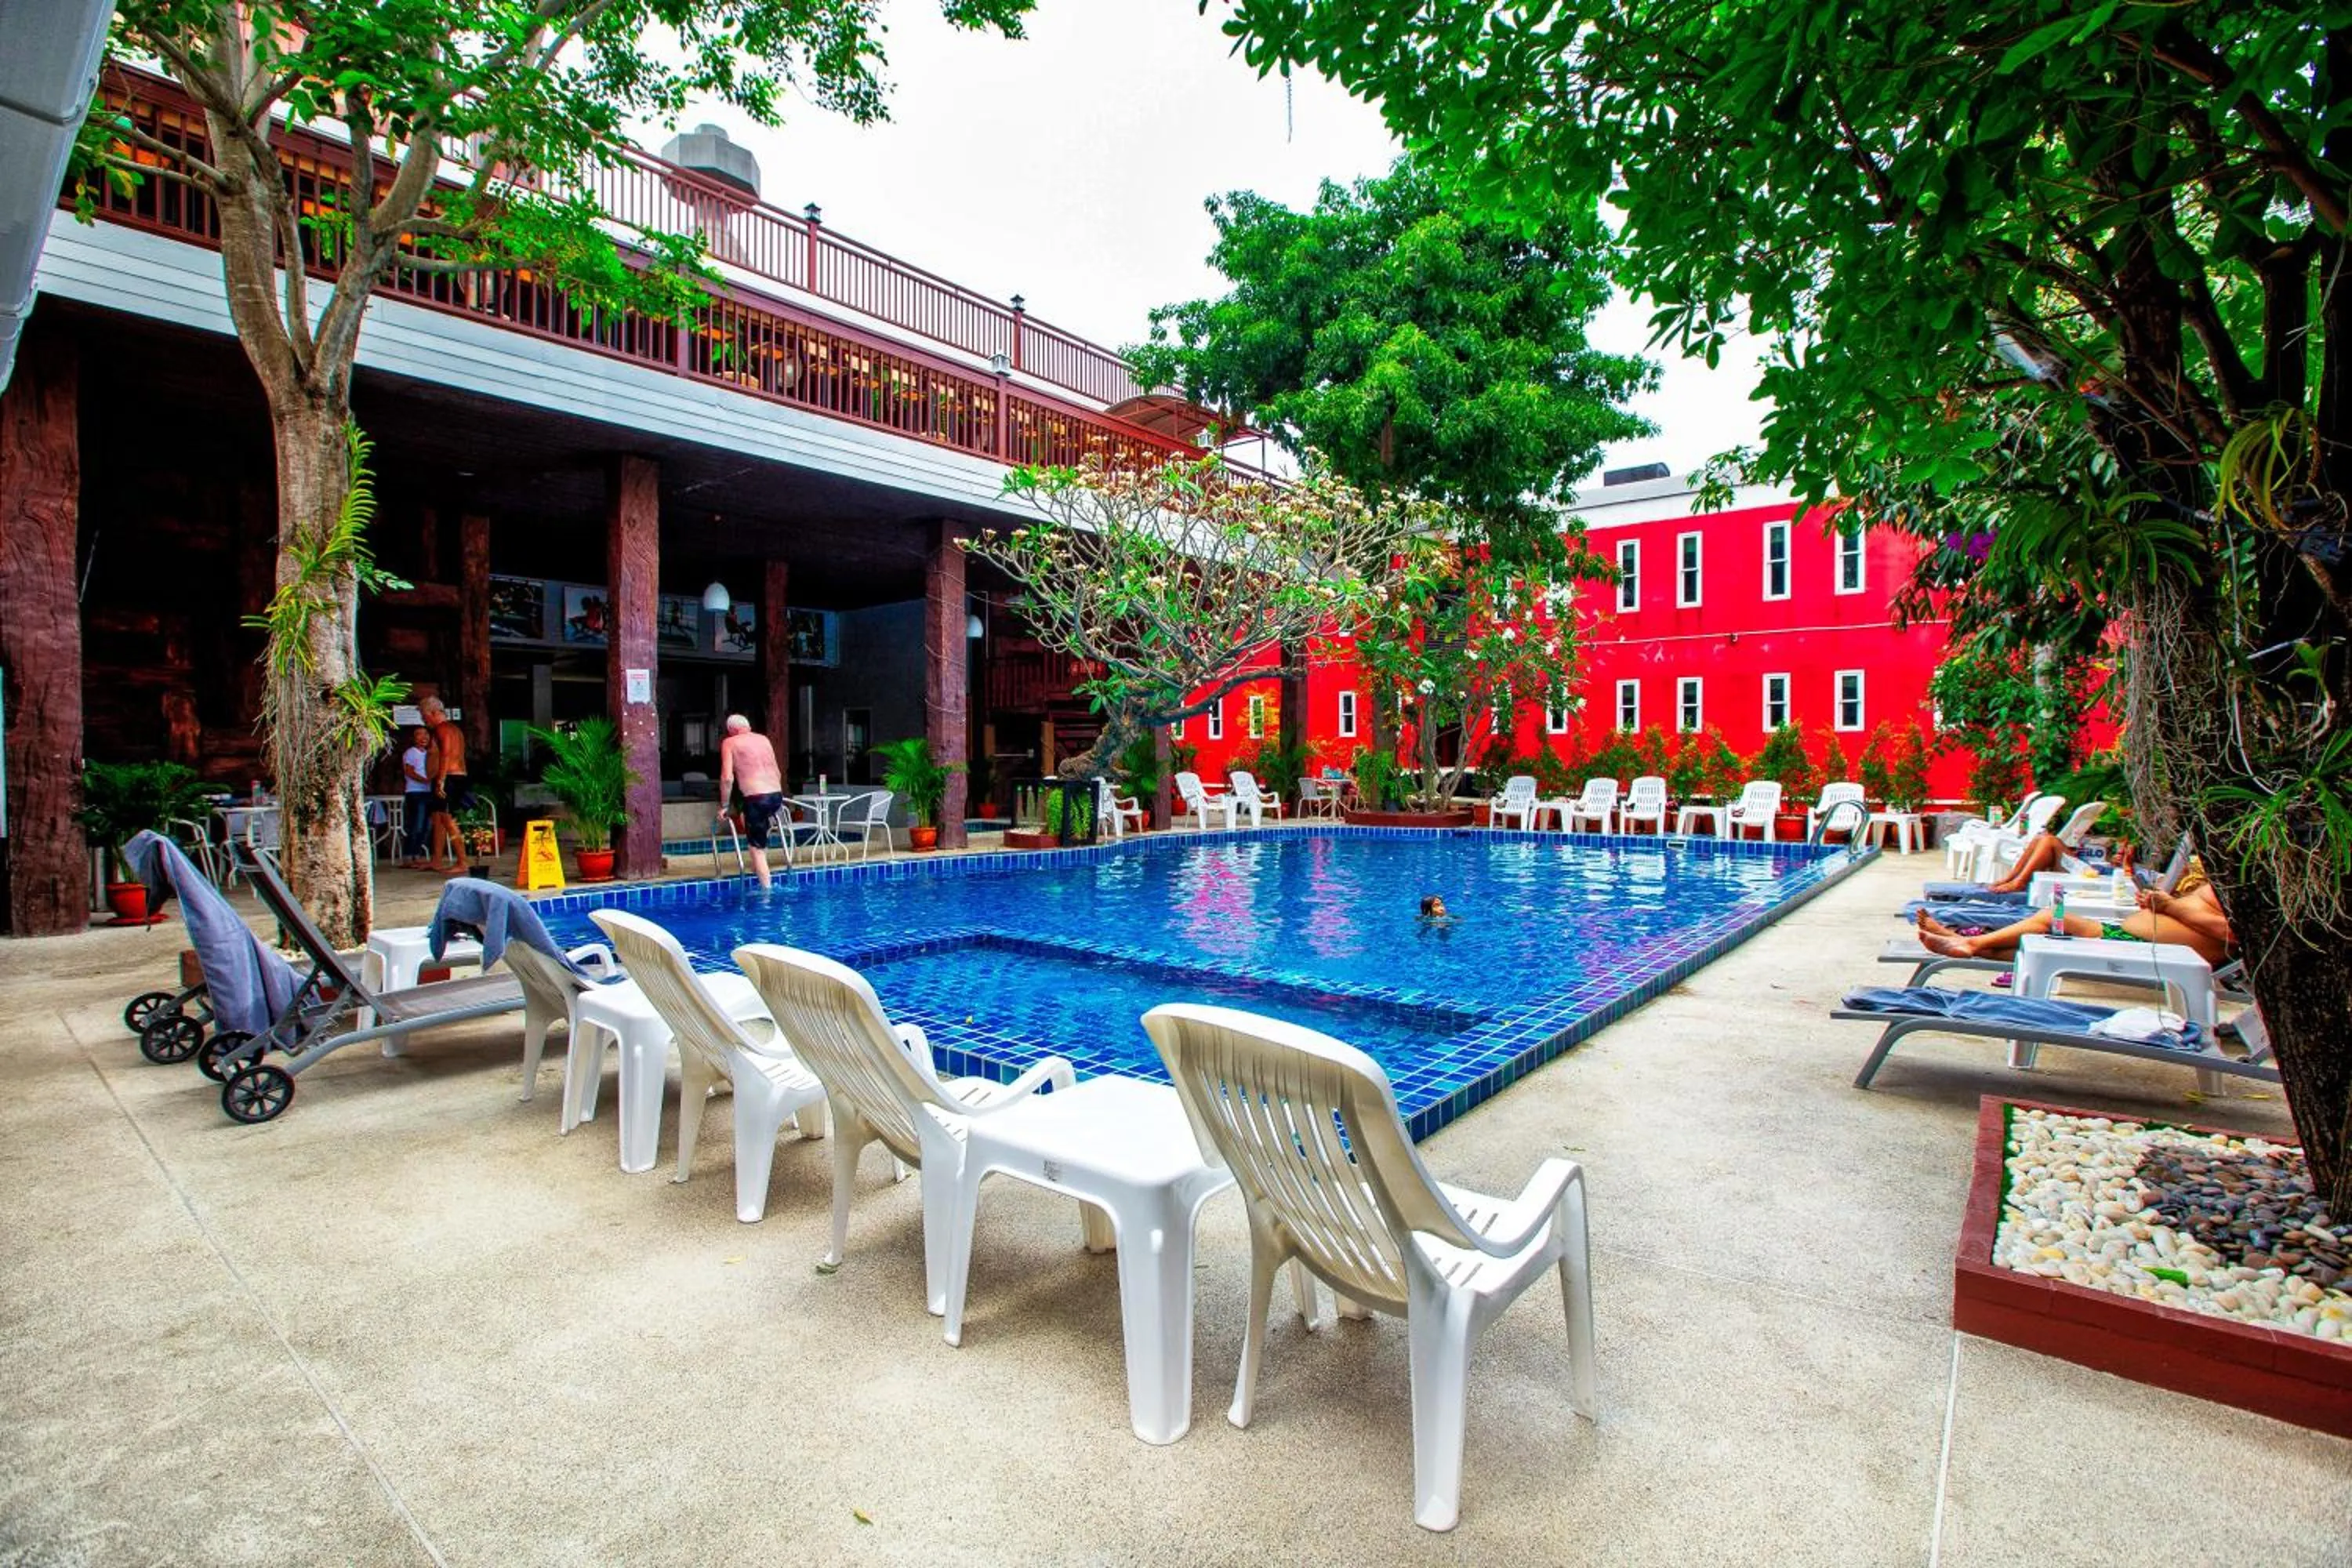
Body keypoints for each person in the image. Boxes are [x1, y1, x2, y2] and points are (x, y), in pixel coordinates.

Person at [1915, 880, 2233, 966]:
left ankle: (1970, 942)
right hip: (2135, 940)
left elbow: (2231, 934)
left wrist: (2172, 908)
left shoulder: (2260, 904)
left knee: (2054, 916)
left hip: (2153, 952)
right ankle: (1960, 940)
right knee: (2039, 949)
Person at [718, 713, 786, 890]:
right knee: (746, 818)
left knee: (756, 849)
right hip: (776, 795)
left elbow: (727, 778)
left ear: (731, 730)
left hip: (756, 798)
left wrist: (724, 806)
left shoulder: (730, 742)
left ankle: (767, 892)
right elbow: (777, 771)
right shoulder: (764, 740)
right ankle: (758, 867)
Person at [421, 696, 474, 873]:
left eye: (425, 715)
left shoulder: (443, 729)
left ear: (435, 713)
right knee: (438, 817)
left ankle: (462, 861)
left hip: (451, 776)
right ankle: (436, 860)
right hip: (453, 775)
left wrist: (441, 780)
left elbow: (446, 754)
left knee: (447, 818)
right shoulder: (454, 729)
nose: (424, 719)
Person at [398, 726, 433, 867]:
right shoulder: (411, 753)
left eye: (426, 734)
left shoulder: (428, 753)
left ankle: (417, 855)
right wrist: (426, 781)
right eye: (419, 734)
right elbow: (409, 771)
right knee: (416, 825)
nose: (423, 737)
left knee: (425, 826)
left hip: (427, 792)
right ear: (414, 738)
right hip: (416, 792)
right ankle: (408, 856)